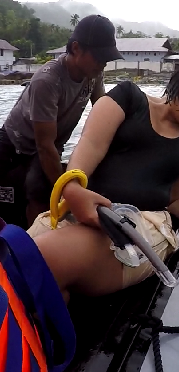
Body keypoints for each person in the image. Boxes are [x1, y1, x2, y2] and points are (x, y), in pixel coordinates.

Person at [26, 55, 179, 304]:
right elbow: (91, 144)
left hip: (142, 225)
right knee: (16, 263)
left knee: (38, 259)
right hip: (90, 213)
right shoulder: (127, 98)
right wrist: (72, 188)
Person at [0, 14, 123, 227]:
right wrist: (68, 192)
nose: (103, 64)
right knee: (39, 187)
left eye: (106, 59)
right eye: (99, 57)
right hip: (15, 142)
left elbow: (103, 112)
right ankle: (30, 241)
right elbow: (44, 145)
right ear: (76, 48)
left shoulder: (93, 74)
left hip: (51, 144)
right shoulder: (47, 81)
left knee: (40, 187)